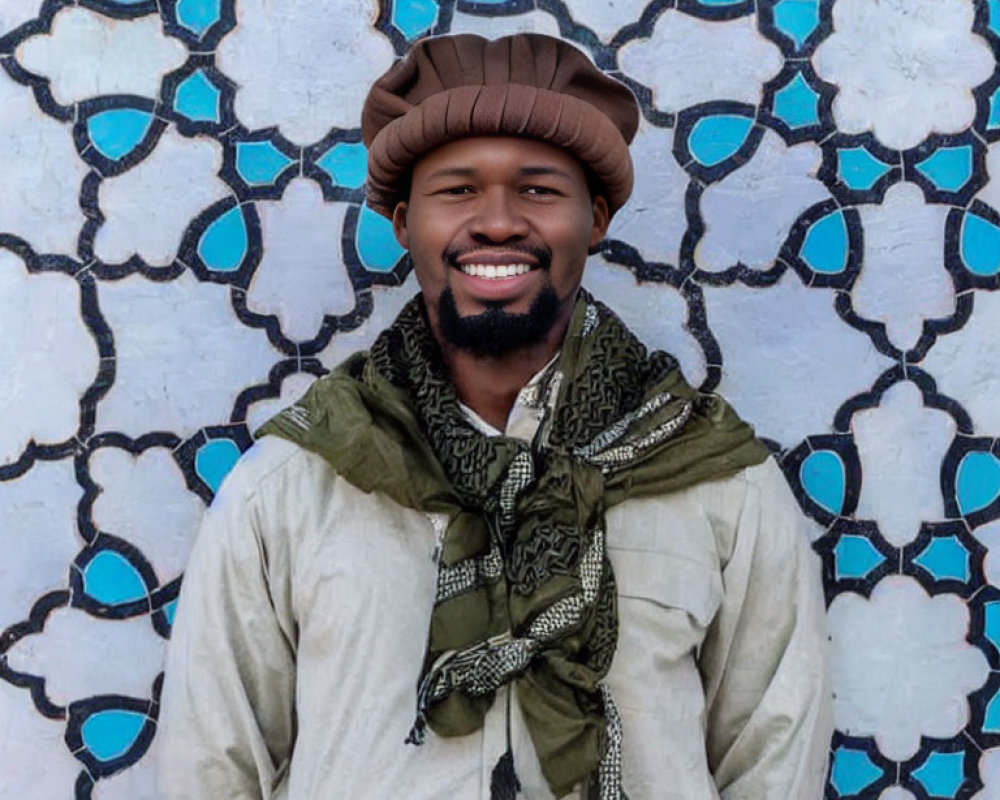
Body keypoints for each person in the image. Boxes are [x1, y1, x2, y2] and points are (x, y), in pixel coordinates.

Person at [158, 32, 832, 800]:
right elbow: (212, 767)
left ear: (598, 218)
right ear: (406, 222)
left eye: (540, 190)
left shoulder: (718, 482)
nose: (499, 222)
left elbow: (776, 755)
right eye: (458, 191)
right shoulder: (290, 485)